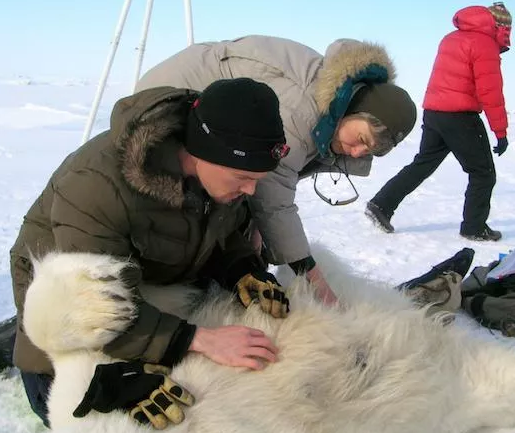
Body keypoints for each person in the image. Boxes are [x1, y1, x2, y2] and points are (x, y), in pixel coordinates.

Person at [0, 77, 293, 427]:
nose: (251, 190)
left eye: (258, 178)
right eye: (242, 177)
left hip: (148, 276)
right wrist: (197, 339)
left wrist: (241, 269)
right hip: (67, 290)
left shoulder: (219, 179)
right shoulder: (97, 184)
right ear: (202, 152)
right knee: (90, 416)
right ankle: (17, 334)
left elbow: (221, 230)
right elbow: (87, 306)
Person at [135, 35, 418, 304]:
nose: (357, 152)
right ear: (354, 108)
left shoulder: (333, 106)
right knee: (192, 203)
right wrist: (315, 281)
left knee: (243, 207)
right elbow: (272, 192)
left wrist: (258, 230)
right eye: (361, 140)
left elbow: (262, 185)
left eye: (367, 152)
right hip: (168, 106)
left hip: (214, 123)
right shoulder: (301, 108)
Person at [365, 2, 512, 241]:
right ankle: (474, 227)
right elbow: (490, 91)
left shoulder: (451, 38)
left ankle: (381, 205)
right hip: (460, 117)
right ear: (499, 27)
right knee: (483, 173)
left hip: (434, 112)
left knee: (423, 163)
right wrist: (500, 131)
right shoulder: (484, 44)